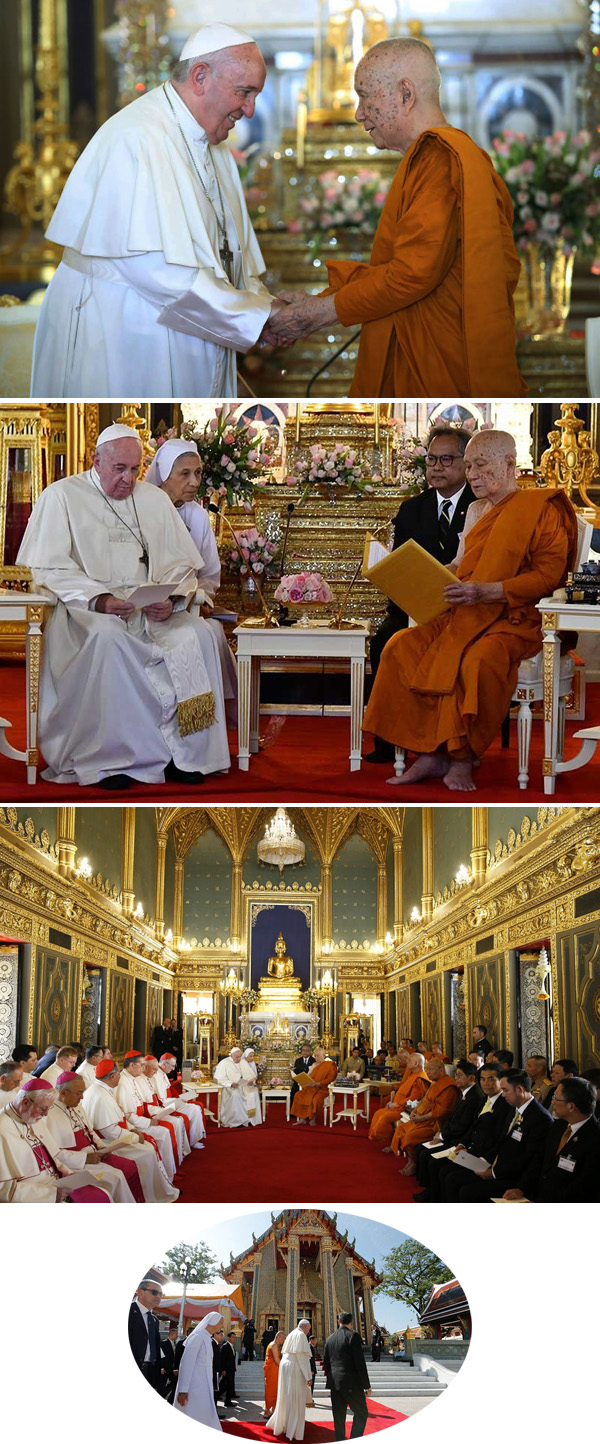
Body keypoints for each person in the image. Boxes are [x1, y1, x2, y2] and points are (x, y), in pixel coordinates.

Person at [30, 25, 287, 399]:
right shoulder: (136, 138)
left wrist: (264, 306)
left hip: (188, 329)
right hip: (126, 334)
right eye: (244, 93)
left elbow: (233, 256)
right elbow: (159, 273)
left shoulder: (213, 146)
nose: (249, 110)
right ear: (200, 76)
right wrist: (263, 317)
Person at [265, 38, 526, 399]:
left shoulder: (440, 158)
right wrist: (319, 301)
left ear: (405, 94)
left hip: (442, 370)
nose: (358, 113)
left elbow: (413, 275)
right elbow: (408, 268)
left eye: (365, 96)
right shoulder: (429, 159)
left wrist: (320, 313)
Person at [17, 424, 231, 789]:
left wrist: (172, 597)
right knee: (109, 639)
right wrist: (99, 599)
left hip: (149, 610)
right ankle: (110, 760)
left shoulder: (153, 499)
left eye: (134, 469)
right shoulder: (62, 496)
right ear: (95, 460)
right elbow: (48, 567)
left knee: (198, 633)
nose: (128, 479)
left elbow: (182, 563)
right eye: (119, 469)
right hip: (87, 612)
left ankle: (182, 756)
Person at [363, 430, 578, 791]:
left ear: (509, 464)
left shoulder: (540, 509)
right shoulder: (477, 510)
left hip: (516, 619)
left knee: (476, 659)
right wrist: (415, 573)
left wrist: (487, 591)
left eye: (481, 465)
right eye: (470, 466)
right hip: (466, 612)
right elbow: (461, 564)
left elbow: (546, 578)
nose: (473, 475)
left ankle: (462, 757)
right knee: (401, 645)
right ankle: (429, 752)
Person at [367, 427, 475, 762]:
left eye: (446, 459)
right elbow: (402, 564)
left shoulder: (480, 504)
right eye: (431, 459)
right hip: (412, 607)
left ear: (465, 463)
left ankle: (453, 742)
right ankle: (387, 739)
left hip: (463, 609)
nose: (437, 467)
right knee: (384, 640)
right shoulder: (412, 508)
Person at [145, 437, 238, 714]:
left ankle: (199, 724)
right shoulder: (141, 510)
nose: (194, 482)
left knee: (209, 633)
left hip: (185, 608)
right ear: (163, 474)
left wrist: (194, 599)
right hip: (144, 611)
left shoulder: (197, 516)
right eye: (184, 474)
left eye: (197, 473)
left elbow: (209, 573)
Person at [81, 1057, 179, 1202]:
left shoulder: (100, 1089)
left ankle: (156, 1189)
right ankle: (148, 1195)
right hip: (110, 1143)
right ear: (112, 1076)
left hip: (116, 1136)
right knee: (147, 1151)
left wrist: (133, 1130)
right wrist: (134, 1136)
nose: (121, 1076)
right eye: (119, 1074)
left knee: (148, 1147)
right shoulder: (101, 1095)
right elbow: (110, 1131)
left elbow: (119, 1118)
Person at [450, 1068, 553, 1202]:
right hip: (497, 1166)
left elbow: (531, 1158)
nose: (503, 1095)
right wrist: (483, 1161)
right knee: (452, 1176)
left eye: (505, 1090)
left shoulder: (540, 1118)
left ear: (520, 1090)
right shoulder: (514, 1109)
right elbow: (501, 1141)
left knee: (466, 1191)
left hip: (514, 1176)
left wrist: (494, 1173)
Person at [0, 1077, 111, 1202]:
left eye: (48, 1109)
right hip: (35, 1195)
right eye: (43, 1109)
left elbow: (51, 1156)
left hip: (57, 1183)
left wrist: (69, 1175)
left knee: (102, 1195)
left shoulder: (31, 1117)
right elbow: (3, 1189)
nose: (46, 1114)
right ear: (25, 1102)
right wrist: (51, 1195)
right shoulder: (2, 1129)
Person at [41, 1070, 144, 1201]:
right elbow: (54, 1154)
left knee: (129, 1167)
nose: (82, 1098)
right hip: (75, 1164)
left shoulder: (76, 1105)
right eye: (79, 1093)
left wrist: (101, 1148)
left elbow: (90, 1131)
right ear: (63, 1093)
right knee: (116, 1177)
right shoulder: (48, 1115)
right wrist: (85, 1158)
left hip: (94, 1154)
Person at [419, 1061, 513, 1202]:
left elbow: (498, 1139)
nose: (486, 1083)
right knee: (440, 1166)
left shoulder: (505, 1106)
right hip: (470, 1149)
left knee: (448, 1174)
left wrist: (479, 1158)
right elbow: (472, 1127)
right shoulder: (484, 1100)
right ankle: (435, 1198)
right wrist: (463, 1145)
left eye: (491, 1079)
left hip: (484, 1157)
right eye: (483, 1079)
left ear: (501, 1081)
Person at [508, 1077, 600, 1203]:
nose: (552, 1103)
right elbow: (539, 1159)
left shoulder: (594, 1138)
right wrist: (522, 1188)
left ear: (571, 1106)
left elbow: (583, 1186)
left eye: (556, 1099)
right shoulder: (559, 1126)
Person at [392, 1057, 461, 1174]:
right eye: (427, 1069)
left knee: (409, 1136)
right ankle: (410, 1161)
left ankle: (414, 1163)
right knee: (400, 1129)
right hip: (421, 1120)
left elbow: (441, 1112)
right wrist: (414, 1112)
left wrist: (421, 1118)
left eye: (430, 1070)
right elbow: (425, 1100)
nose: (427, 1072)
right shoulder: (435, 1083)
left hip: (435, 1124)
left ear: (441, 1070)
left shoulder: (448, 1086)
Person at [323, 1312, 372, 1441]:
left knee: (338, 1417)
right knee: (361, 1413)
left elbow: (326, 1364)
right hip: (351, 1384)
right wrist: (366, 1385)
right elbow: (360, 1363)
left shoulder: (329, 1339)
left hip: (335, 1384)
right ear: (351, 1323)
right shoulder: (353, 1337)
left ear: (338, 1322)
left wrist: (332, 1379)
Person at [369, 1051, 429, 1148]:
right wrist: (393, 1101)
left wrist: (396, 1104)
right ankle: (386, 1141)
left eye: (409, 1060)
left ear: (416, 1064)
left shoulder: (420, 1078)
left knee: (384, 1117)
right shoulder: (413, 1075)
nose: (407, 1062)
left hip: (404, 1109)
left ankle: (392, 1145)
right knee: (378, 1113)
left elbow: (413, 1099)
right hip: (398, 1105)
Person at [266, 1319, 313, 1441]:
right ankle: (294, 1429)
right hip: (294, 1366)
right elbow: (302, 1357)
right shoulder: (301, 1335)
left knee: (286, 1397)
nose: (309, 1332)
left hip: (285, 1365)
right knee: (295, 1397)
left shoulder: (292, 1333)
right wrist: (308, 1376)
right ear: (304, 1327)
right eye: (308, 1328)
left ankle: (285, 1425)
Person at [175, 1312, 224, 1427]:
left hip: (205, 1386)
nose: (221, 1326)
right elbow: (186, 1364)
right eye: (220, 1323)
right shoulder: (197, 1338)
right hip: (193, 1387)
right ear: (213, 1322)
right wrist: (183, 1390)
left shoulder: (208, 1339)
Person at [155, 1053, 206, 1148]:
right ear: (164, 1064)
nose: (173, 1069)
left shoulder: (163, 1074)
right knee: (194, 1109)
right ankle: (193, 1141)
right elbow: (162, 1099)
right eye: (172, 1066)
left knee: (196, 1108)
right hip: (166, 1106)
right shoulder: (156, 1076)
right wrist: (178, 1100)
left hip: (171, 1101)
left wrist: (179, 1099)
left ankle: (193, 1139)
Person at [129, 1281, 165, 1393]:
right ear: (140, 1292)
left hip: (150, 1371)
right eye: (154, 1292)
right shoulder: (129, 1312)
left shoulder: (154, 1320)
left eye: (161, 1294)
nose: (158, 1296)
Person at [291, 1047, 337, 1126]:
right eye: (315, 1056)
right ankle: (302, 1119)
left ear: (324, 1056)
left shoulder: (330, 1065)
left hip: (323, 1088)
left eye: (318, 1056)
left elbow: (330, 1079)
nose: (316, 1058)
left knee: (315, 1099)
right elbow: (308, 1075)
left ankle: (313, 1118)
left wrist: (317, 1084)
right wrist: (302, 1078)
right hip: (311, 1087)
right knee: (298, 1095)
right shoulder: (314, 1064)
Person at [214, 1047, 251, 1128]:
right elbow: (220, 1079)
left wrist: (250, 1081)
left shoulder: (243, 1062)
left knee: (253, 1094)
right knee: (236, 1095)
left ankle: (249, 1119)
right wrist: (230, 1084)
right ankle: (236, 1121)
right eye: (237, 1057)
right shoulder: (224, 1063)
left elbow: (249, 1075)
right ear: (231, 1056)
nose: (239, 1059)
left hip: (243, 1086)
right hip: (229, 1088)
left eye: (240, 1056)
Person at [264, 1331, 285, 1415]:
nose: (283, 1341)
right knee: (271, 1390)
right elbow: (277, 1361)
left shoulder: (272, 1344)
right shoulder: (274, 1345)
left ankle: (273, 1410)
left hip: (273, 1370)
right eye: (283, 1338)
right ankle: (267, 1411)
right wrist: (285, 1367)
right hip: (273, 1370)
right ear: (279, 1337)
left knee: (274, 1389)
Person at [240, 1048, 263, 1124]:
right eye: (250, 1056)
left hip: (251, 1085)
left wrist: (252, 1082)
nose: (252, 1058)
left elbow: (254, 1076)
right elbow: (240, 1076)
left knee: (255, 1093)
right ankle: (247, 1119)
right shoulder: (241, 1063)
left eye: (253, 1056)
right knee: (249, 1095)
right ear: (246, 1056)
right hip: (242, 1085)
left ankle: (253, 1119)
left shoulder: (252, 1064)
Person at [219, 1331, 239, 1405]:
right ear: (228, 1337)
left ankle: (227, 1400)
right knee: (225, 1385)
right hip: (226, 1370)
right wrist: (223, 1369)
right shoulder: (225, 1346)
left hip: (231, 1369)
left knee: (228, 1385)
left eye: (235, 1337)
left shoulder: (232, 1346)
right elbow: (222, 1359)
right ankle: (218, 1396)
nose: (234, 1339)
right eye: (233, 1337)